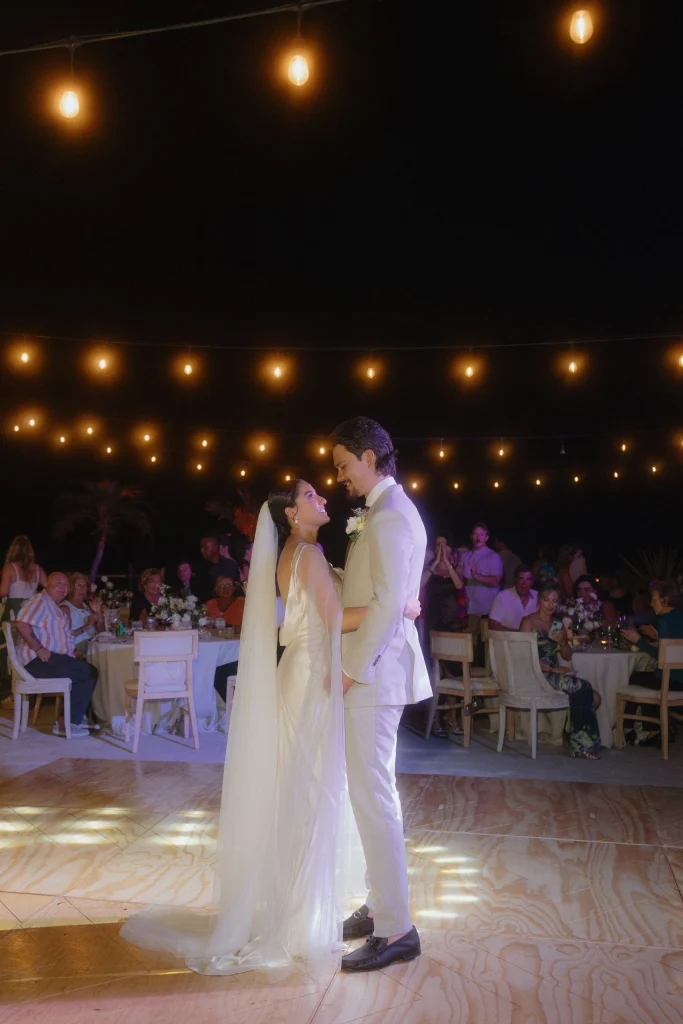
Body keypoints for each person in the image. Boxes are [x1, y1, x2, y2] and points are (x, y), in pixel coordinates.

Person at [121, 475, 420, 976]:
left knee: (305, 789)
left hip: (305, 668)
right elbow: (332, 616)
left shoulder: (298, 554)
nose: (322, 498)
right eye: (310, 496)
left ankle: (300, 905)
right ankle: (298, 914)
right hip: (311, 675)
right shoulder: (307, 555)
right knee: (309, 791)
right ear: (291, 515)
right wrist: (396, 606)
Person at [332, 415, 431, 972]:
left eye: (344, 464)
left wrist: (351, 671)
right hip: (376, 673)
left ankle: (397, 929)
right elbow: (380, 592)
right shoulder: (383, 511)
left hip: (375, 676)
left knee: (375, 797)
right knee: (369, 795)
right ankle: (378, 906)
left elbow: (389, 604)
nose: (339, 475)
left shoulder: (391, 514)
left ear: (369, 457)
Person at [521, 583, 601, 759]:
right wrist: (552, 668)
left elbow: (567, 655)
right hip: (537, 674)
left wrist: (563, 643)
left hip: (552, 674)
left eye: (555, 601)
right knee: (584, 687)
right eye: (547, 600)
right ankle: (580, 745)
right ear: (539, 600)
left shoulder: (557, 624)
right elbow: (523, 657)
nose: (551, 605)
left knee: (592, 696)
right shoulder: (529, 621)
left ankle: (573, 738)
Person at [15, 572, 99, 738]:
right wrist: (39, 649)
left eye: (65, 585)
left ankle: (70, 718)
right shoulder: (41, 601)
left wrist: (72, 651)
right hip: (37, 662)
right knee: (88, 672)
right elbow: (22, 624)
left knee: (88, 670)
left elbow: (60, 636)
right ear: (47, 585)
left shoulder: (55, 608)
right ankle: (68, 722)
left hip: (51, 660)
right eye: (57, 583)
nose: (62, 587)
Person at [622, 579, 683, 743]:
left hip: (672, 680)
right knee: (647, 677)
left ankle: (637, 729)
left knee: (632, 677)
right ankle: (647, 729)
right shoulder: (679, 616)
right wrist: (658, 637)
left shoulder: (664, 620)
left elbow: (662, 657)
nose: (651, 603)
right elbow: (676, 645)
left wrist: (638, 641)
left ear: (665, 599)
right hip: (681, 680)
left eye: (654, 599)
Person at [0, 535, 48, 697]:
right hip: (32, 612)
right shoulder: (38, 569)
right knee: (30, 643)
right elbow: (48, 588)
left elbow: (4, 591)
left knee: (9, 645)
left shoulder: (10, 568)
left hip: (14, 612)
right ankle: (31, 677)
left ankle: (9, 683)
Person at [459, 522, 503, 615]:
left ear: (486, 538)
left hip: (487, 610)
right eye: (475, 534)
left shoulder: (493, 556)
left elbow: (496, 581)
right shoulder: (465, 556)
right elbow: (460, 579)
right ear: (471, 537)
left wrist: (477, 576)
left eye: (481, 534)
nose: (478, 537)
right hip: (469, 608)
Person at [61, 573, 104, 655]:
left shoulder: (86, 607)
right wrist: (87, 626)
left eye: (85, 586)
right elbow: (64, 636)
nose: (82, 589)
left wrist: (98, 613)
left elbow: (102, 632)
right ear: (71, 588)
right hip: (76, 652)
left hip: (92, 648)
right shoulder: (65, 608)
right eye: (78, 586)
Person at [489, 565, 538, 631]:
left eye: (528, 579)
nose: (524, 583)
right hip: (508, 637)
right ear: (515, 580)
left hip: (533, 637)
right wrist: (519, 634)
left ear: (532, 582)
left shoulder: (538, 596)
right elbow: (493, 625)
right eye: (521, 579)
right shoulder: (502, 596)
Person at [193, 536, 240, 603]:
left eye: (205, 547)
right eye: (201, 547)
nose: (202, 550)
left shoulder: (231, 565)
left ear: (216, 547)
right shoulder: (199, 568)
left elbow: (236, 587)